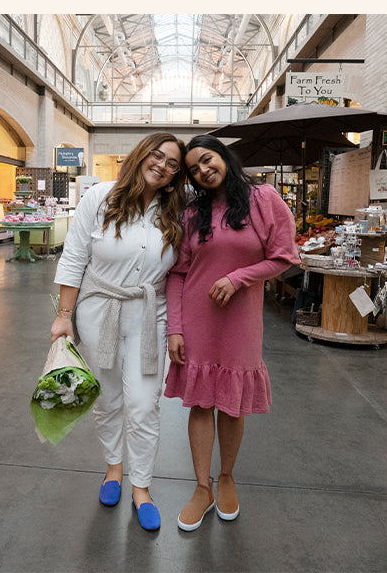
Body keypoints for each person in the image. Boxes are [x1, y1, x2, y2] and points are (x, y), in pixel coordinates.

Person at [51, 132, 188, 530]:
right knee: (108, 397)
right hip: (99, 311)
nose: (162, 165)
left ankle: (141, 486)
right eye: (157, 156)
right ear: (141, 154)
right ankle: (114, 469)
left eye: (172, 165)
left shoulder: (174, 209)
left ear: (175, 176)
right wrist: (64, 314)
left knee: (145, 404)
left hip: (150, 313)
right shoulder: (101, 197)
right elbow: (75, 255)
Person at [166, 134, 299, 531]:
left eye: (207, 160)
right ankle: (201, 486)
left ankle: (226, 477)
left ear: (223, 156)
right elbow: (178, 273)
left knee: (232, 403)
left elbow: (284, 256)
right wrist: (175, 328)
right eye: (193, 170)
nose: (203, 171)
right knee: (201, 403)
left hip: (241, 320)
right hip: (196, 318)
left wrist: (239, 277)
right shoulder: (193, 214)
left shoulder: (263, 200)